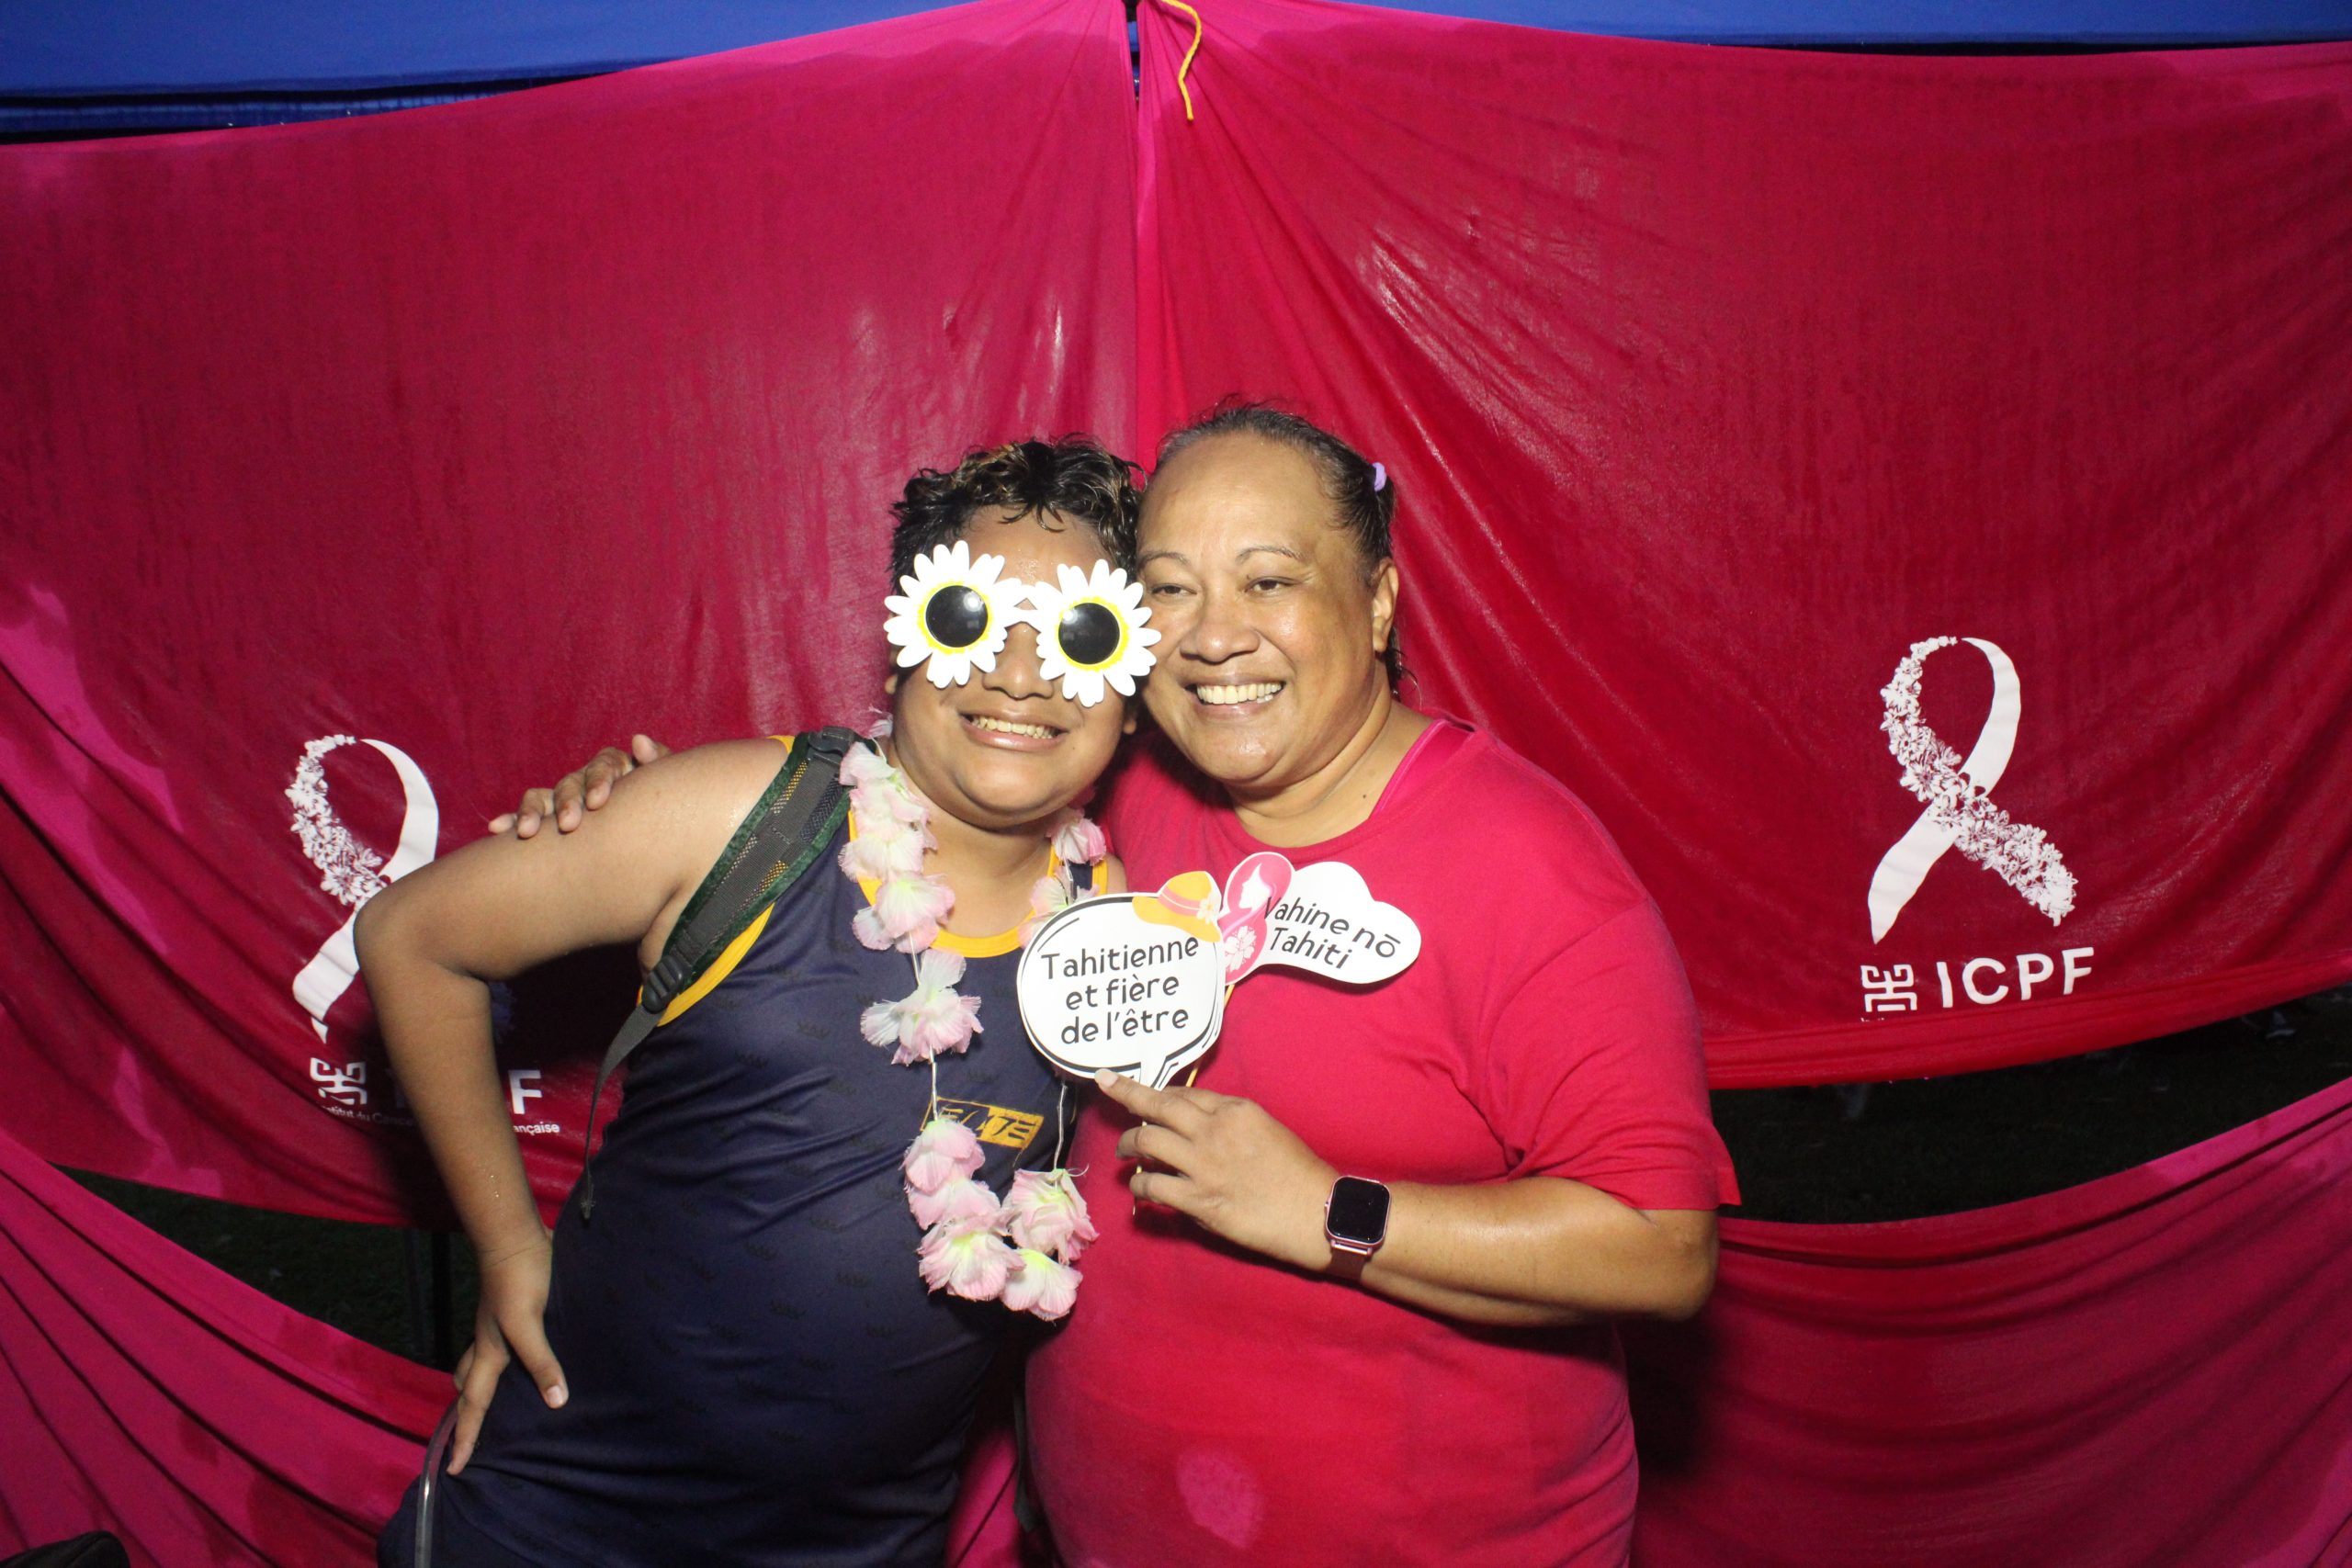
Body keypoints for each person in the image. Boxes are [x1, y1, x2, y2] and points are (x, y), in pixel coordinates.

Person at [525, 405, 1738, 1565]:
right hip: (1098, 1531)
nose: (1214, 635)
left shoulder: (1527, 862)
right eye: (1169, 588)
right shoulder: (1108, 797)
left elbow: (1659, 1246)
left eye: (1267, 580)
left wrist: (1327, 1208)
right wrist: (634, 811)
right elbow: (914, 779)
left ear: (1375, 599)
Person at [360, 437, 1146, 1568]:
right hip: (560, 1517)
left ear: (1132, 685)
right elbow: (413, 938)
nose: (1020, 675)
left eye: (1079, 635)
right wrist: (508, 1247)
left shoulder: (1111, 926)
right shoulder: (744, 814)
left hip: (859, 1547)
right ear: (904, 639)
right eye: (970, 617)